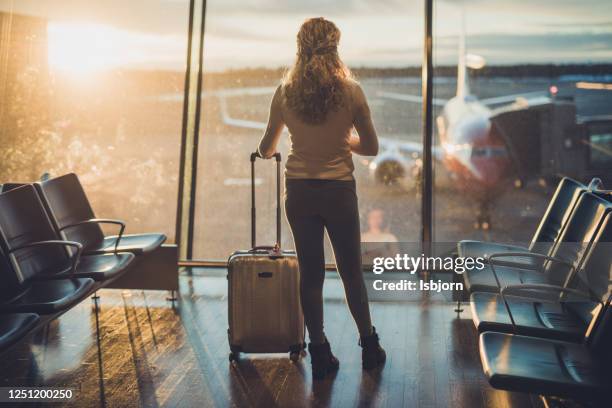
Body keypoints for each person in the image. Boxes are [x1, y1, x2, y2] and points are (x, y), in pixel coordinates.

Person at [257, 17, 385, 380]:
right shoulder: (351, 92)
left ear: (300, 47)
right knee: (350, 274)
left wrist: (275, 147)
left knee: (310, 275)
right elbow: (372, 147)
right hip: (338, 193)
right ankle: (369, 347)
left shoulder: (284, 92)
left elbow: (267, 147)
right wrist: (343, 141)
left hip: (298, 191)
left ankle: (320, 352)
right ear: (334, 48)